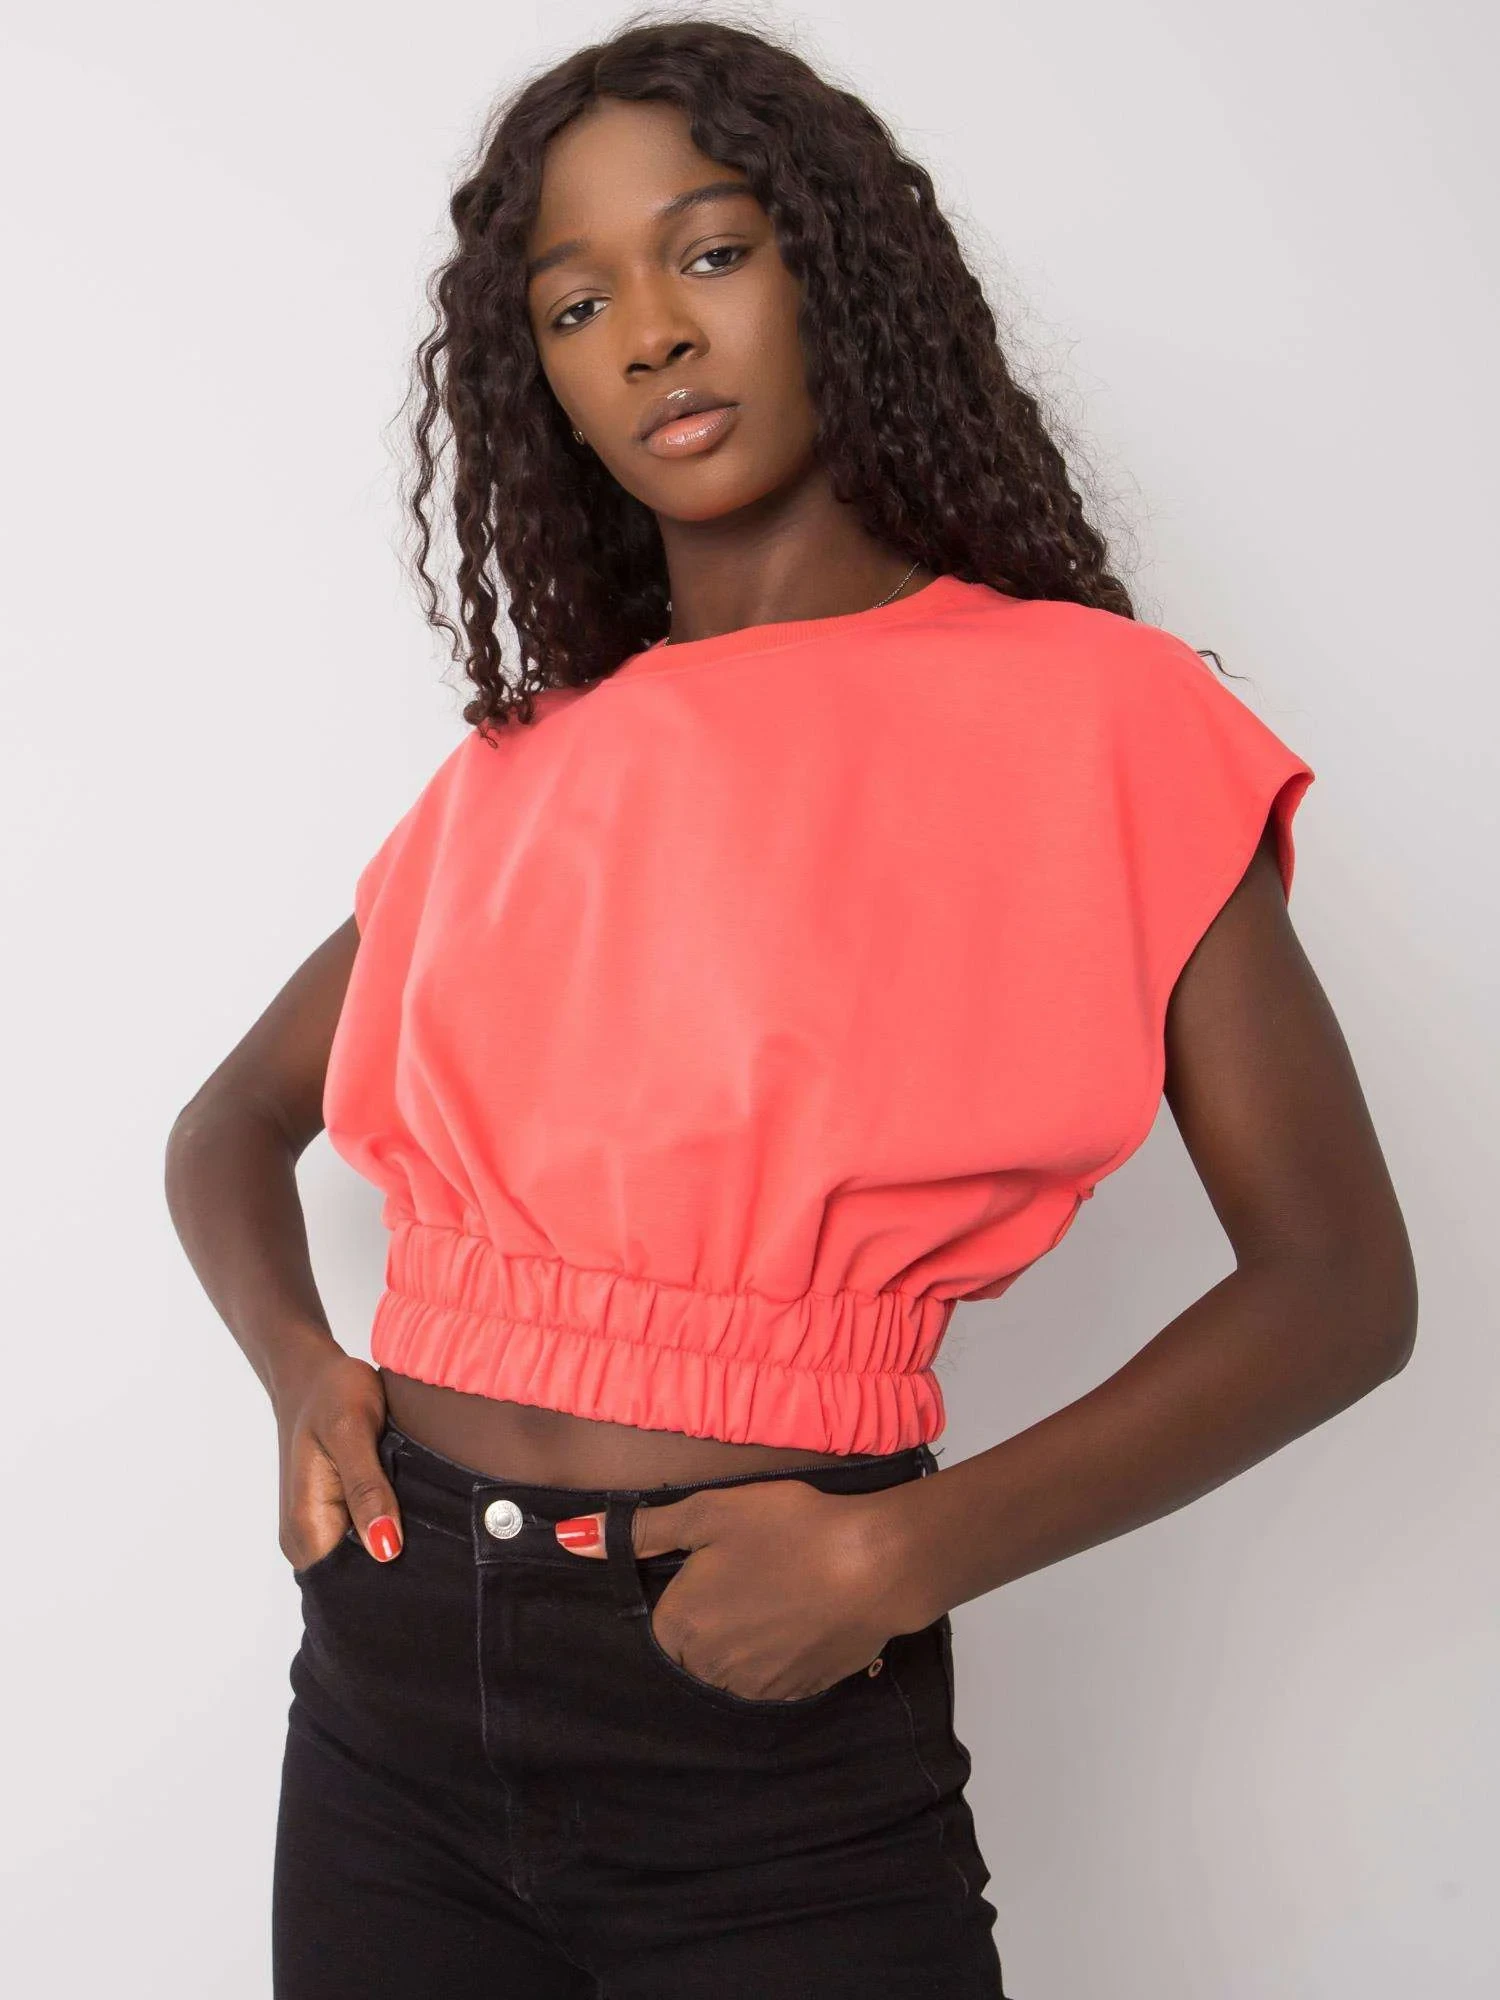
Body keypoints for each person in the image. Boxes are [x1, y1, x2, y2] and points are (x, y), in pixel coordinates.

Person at [163, 17, 1418, 1999]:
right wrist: (298, 1369)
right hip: (386, 1683)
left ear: (836, 268)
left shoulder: (1097, 718)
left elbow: (1341, 1286)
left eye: (712, 252)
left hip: (759, 1702)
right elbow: (229, 1119)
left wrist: (904, 1553)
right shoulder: (524, 768)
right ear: (540, 382)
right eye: (577, 303)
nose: (652, 332)